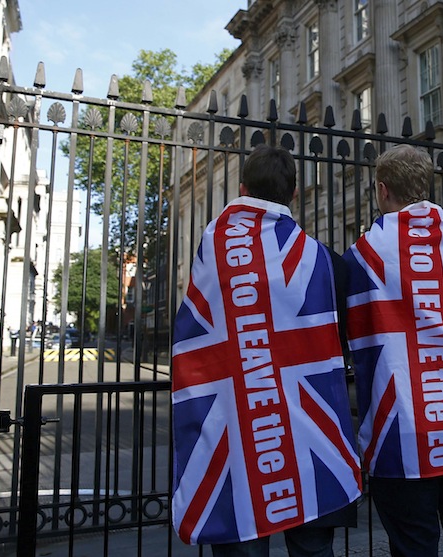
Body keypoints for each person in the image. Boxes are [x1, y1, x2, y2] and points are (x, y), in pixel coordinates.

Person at [171, 144, 362, 557]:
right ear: (293, 194)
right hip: (313, 443)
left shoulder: (213, 258)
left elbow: (193, 341)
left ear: (241, 188)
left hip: (240, 440)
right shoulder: (326, 262)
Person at [343, 145, 443, 557]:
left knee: (414, 548)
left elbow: (348, 334)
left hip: (401, 429)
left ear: (382, 190)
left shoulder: (363, 254)